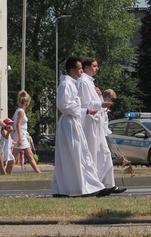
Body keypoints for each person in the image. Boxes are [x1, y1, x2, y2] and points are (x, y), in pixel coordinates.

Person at [52, 57, 111, 198]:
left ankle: (89, 186)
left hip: (73, 121)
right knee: (77, 154)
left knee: (81, 154)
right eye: (79, 68)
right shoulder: (66, 84)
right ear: (72, 70)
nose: (81, 71)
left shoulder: (71, 84)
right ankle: (76, 187)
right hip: (69, 122)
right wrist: (85, 111)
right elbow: (63, 104)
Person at [77, 57, 124, 194]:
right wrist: (100, 103)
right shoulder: (83, 82)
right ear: (86, 67)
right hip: (89, 122)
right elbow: (86, 103)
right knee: (92, 153)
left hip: (97, 123)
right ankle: (95, 185)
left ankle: (108, 184)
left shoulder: (90, 83)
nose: (97, 68)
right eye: (94, 66)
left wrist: (100, 98)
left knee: (104, 152)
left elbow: (95, 101)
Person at [11, 90, 42, 173]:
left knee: (26, 155)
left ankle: (6, 172)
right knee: (18, 156)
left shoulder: (18, 110)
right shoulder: (21, 111)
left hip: (20, 135)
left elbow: (14, 122)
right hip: (20, 135)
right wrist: (20, 138)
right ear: (27, 102)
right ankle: (38, 172)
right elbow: (18, 124)